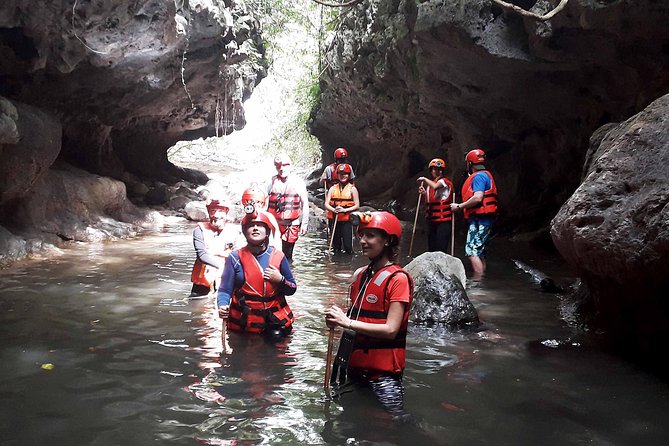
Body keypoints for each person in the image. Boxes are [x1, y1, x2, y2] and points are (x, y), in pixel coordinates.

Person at [325, 211, 414, 417]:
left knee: (396, 422)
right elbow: (356, 319)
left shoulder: (398, 279)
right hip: (355, 370)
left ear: (388, 240)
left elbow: (391, 329)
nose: (363, 241)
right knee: (351, 422)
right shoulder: (361, 275)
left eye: (370, 236)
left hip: (383, 376)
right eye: (361, 235)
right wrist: (336, 320)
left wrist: (346, 322)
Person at [217, 209, 297, 339]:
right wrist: (222, 305)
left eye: (259, 225)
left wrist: (280, 280)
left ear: (267, 232)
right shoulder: (234, 258)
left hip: (274, 324)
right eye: (250, 226)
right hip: (244, 324)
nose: (255, 228)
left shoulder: (279, 256)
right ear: (245, 232)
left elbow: (292, 289)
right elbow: (225, 290)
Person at [450, 148, 498, 277]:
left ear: (470, 164)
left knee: (472, 251)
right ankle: (482, 279)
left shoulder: (479, 177)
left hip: (481, 219)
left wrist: (459, 206)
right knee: (479, 251)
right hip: (482, 218)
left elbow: (478, 197)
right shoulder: (484, 175)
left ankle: (478, 285)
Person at [266, 152, 309, 261]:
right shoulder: (271, 181)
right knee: (273, 254)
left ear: (290, 166)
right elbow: (265, 202)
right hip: (275, 224)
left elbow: (305, 204)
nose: (281, 169)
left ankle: (288, 275)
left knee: (287, 256)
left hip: (291, 224)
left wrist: (304, 224)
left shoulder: (298, 182)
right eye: (279, 167)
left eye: (284, 166)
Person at [189, 198, 235, 298]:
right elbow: (202, 255)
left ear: (226, 212)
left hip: (225, 280)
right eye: (213, 211)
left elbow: (239, 255)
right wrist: (221, 266)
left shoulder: (235, 232)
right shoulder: (199, 231)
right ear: (209, 213)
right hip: (203, 285)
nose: (216, 215)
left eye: (220, 211)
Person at [417, 158, 454, 254]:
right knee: (431, 248)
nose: (437, 171)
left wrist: (424, 179)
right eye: (435, 169)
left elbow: (436, 186)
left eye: (440, 169)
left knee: (441, 249)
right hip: (432, 220)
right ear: (431, 171)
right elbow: (437, 198)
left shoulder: (444, 181)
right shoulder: (431, 185)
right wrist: (425, 193)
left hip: (443, 221)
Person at [324, 163, 360, 254]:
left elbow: (357, 205)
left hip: (346, 220)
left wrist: (345, 210)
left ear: (348, 175)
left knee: (348, 246)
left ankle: (348, 264)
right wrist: (333, 210)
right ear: (337, 175)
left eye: (345, 174)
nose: (343, 176)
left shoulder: (352, 189)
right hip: (334, 219)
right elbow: (326, 204)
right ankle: (337, 265)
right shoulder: (332, 189)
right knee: (336, 246)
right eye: (341, 174)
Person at [241, 185, 282, 251]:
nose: (255, 204)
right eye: (251, 201)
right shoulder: (244, 217)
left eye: (257, 202)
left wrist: (277, 250)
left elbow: (276, 233)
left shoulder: (268, 216)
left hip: (266, 248)